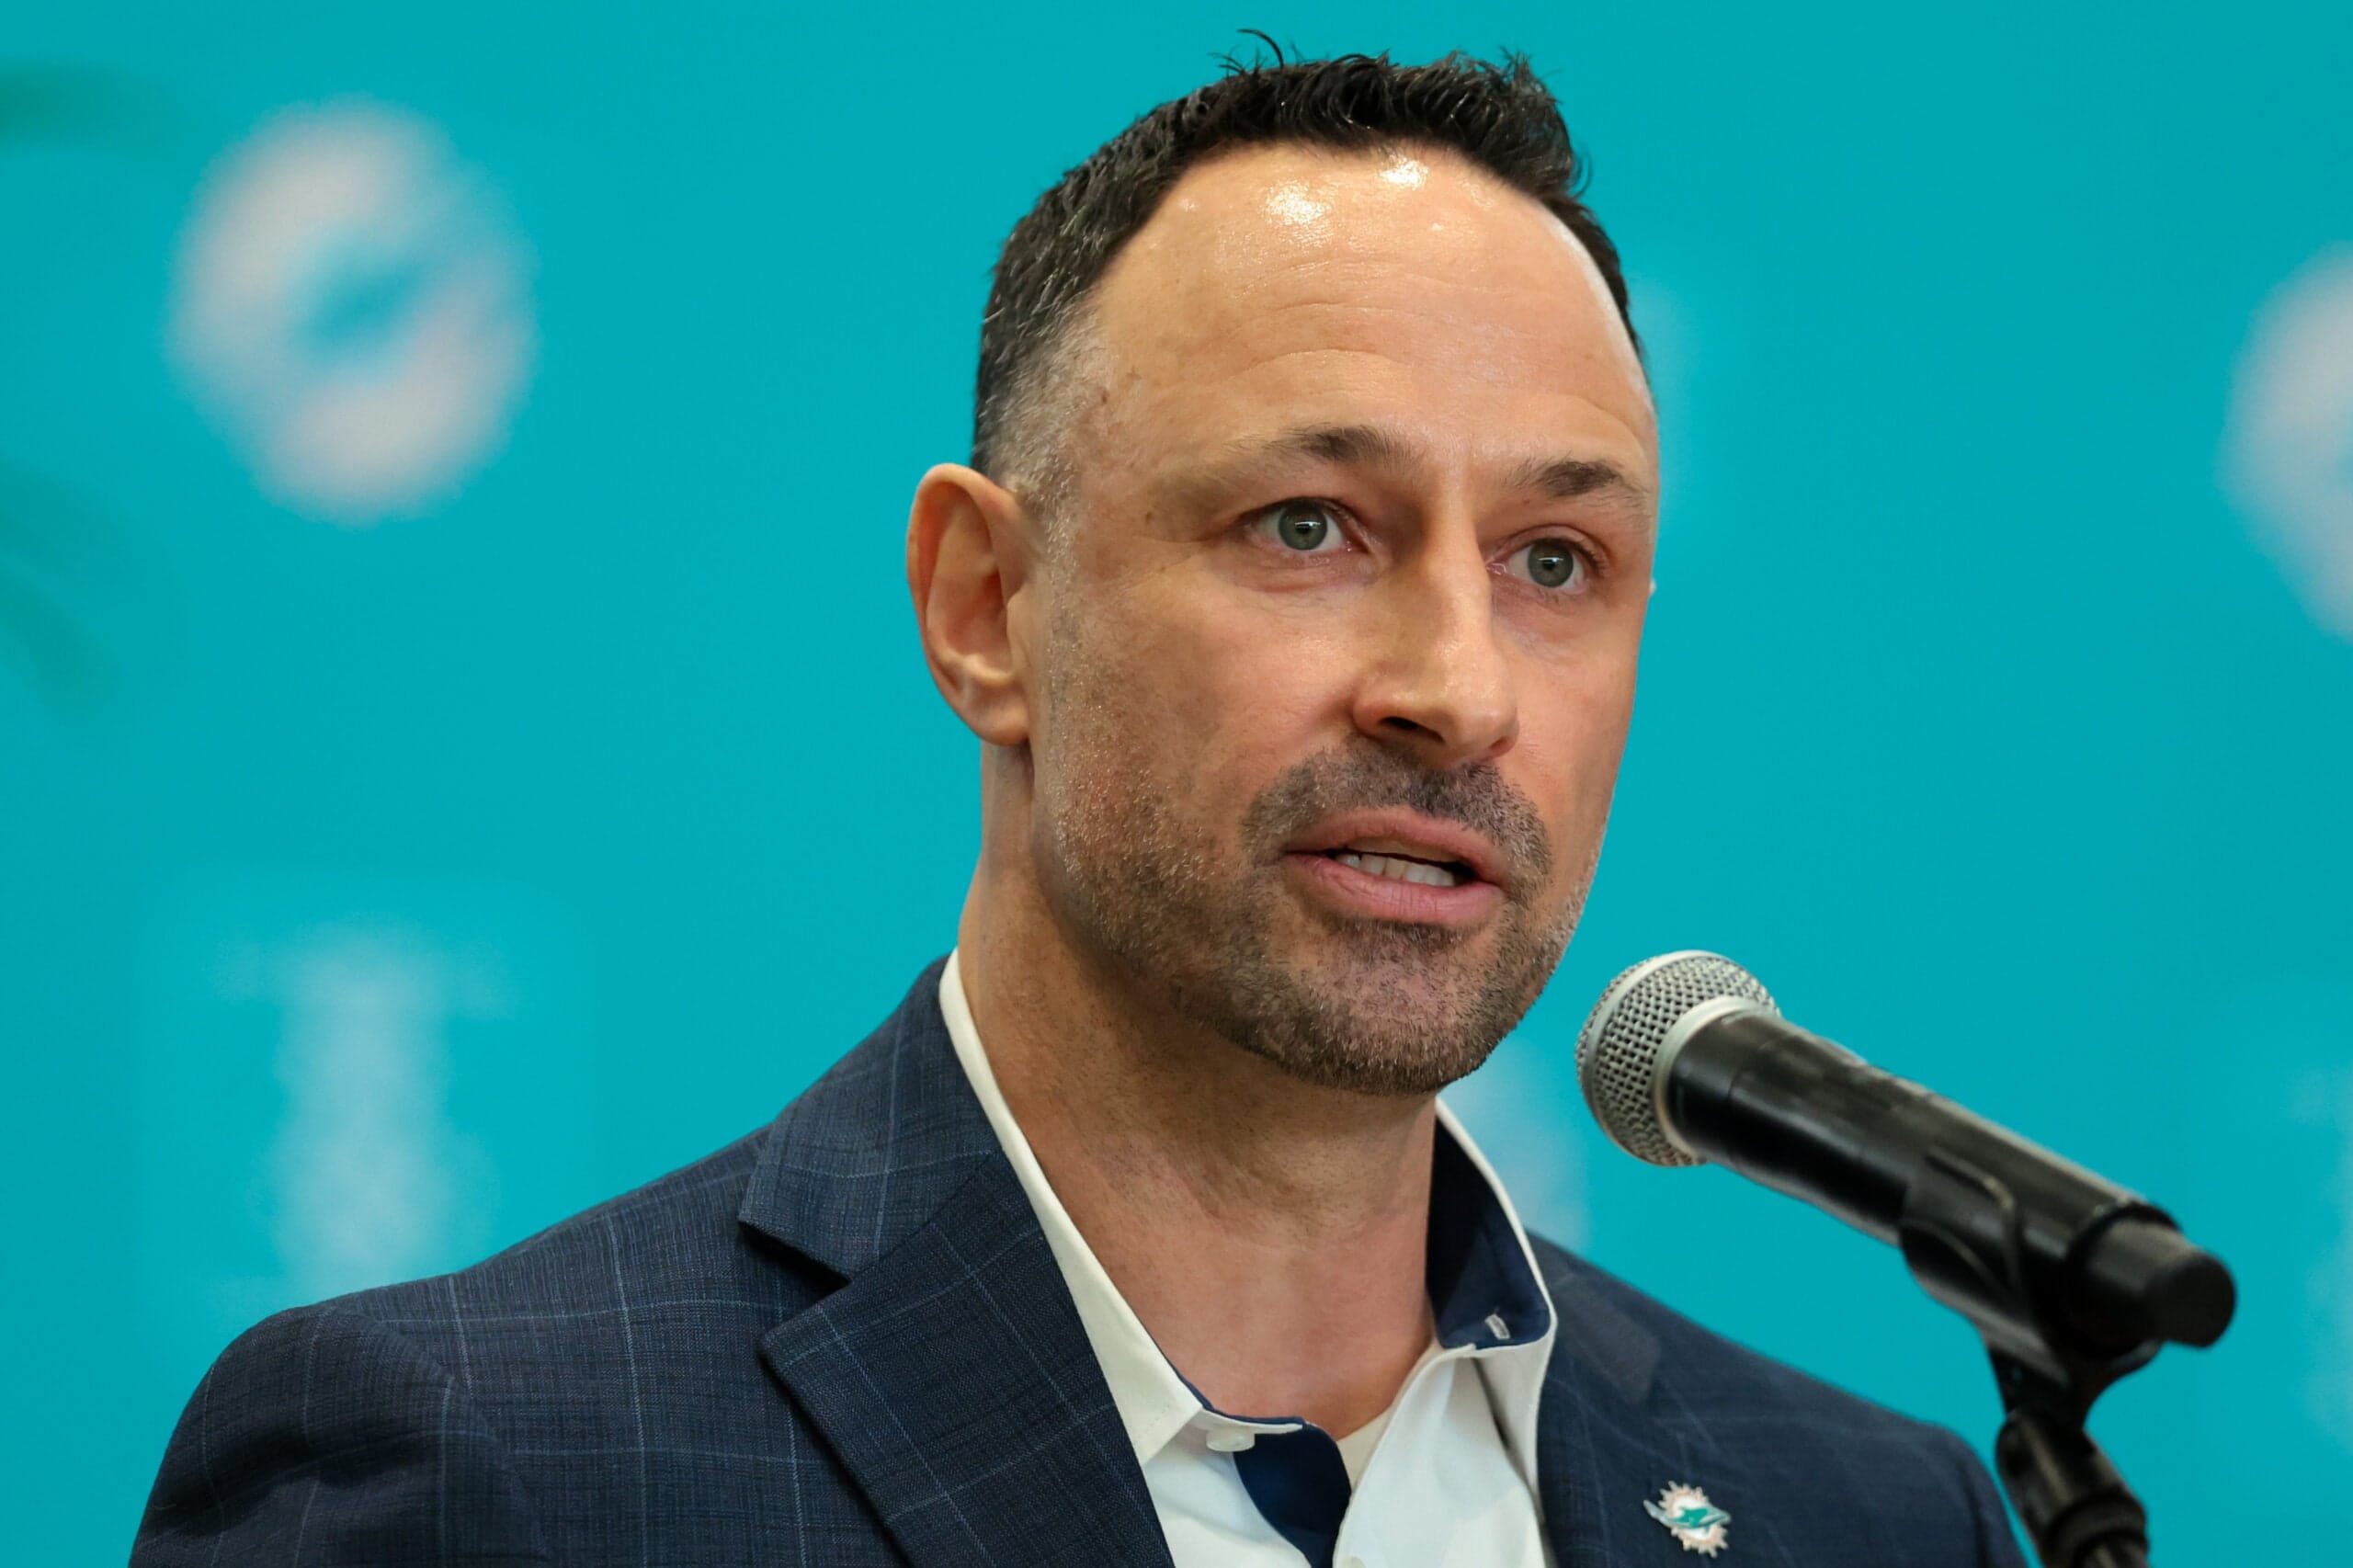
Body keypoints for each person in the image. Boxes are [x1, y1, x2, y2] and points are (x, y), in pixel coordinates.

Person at [134, 49, 2027, 1567]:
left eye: (1554, 560)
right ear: (986, 607)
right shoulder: (488, 1470)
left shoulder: (1862, 1515)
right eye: (1309, 525)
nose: (1457, 689)